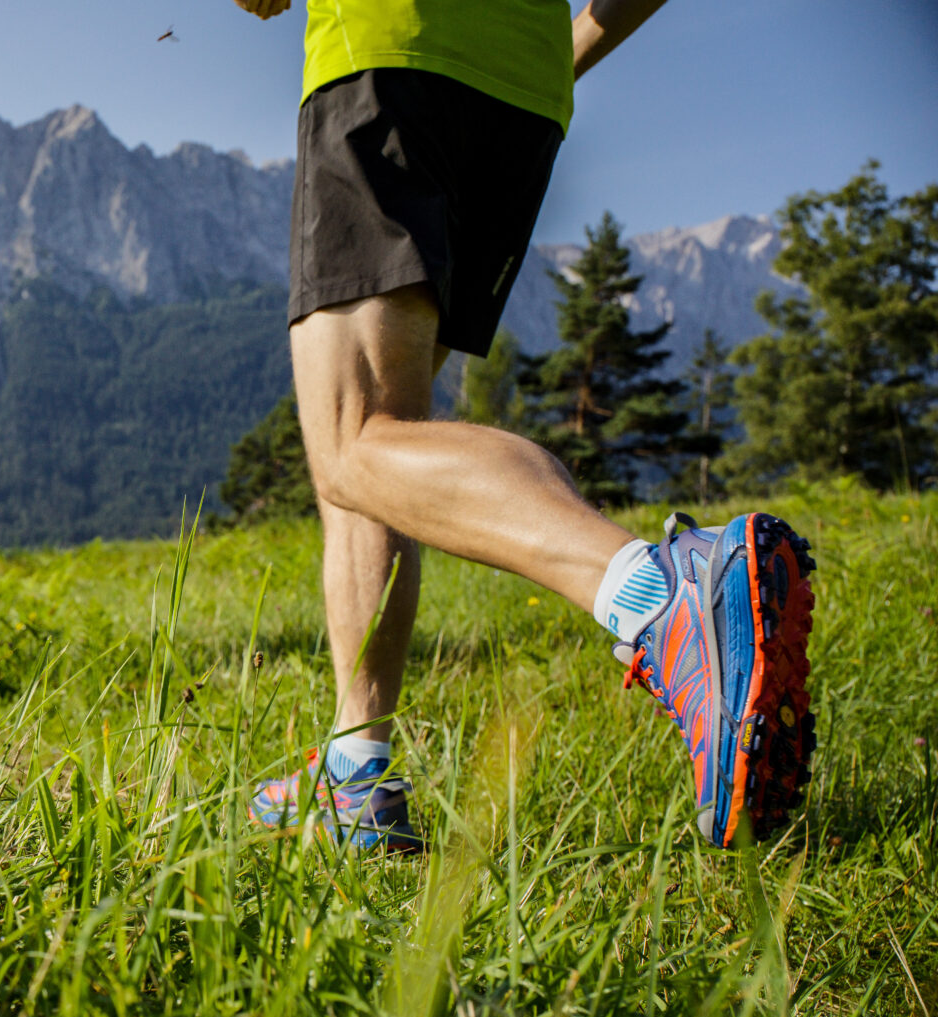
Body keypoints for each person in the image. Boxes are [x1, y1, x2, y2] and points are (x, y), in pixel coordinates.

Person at [233, 0, 817, 850]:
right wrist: (567, 50)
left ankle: (658, 595)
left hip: (389, 49)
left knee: (353, 444)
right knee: (392, 448)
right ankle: (358, 772)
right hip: (524, 99)